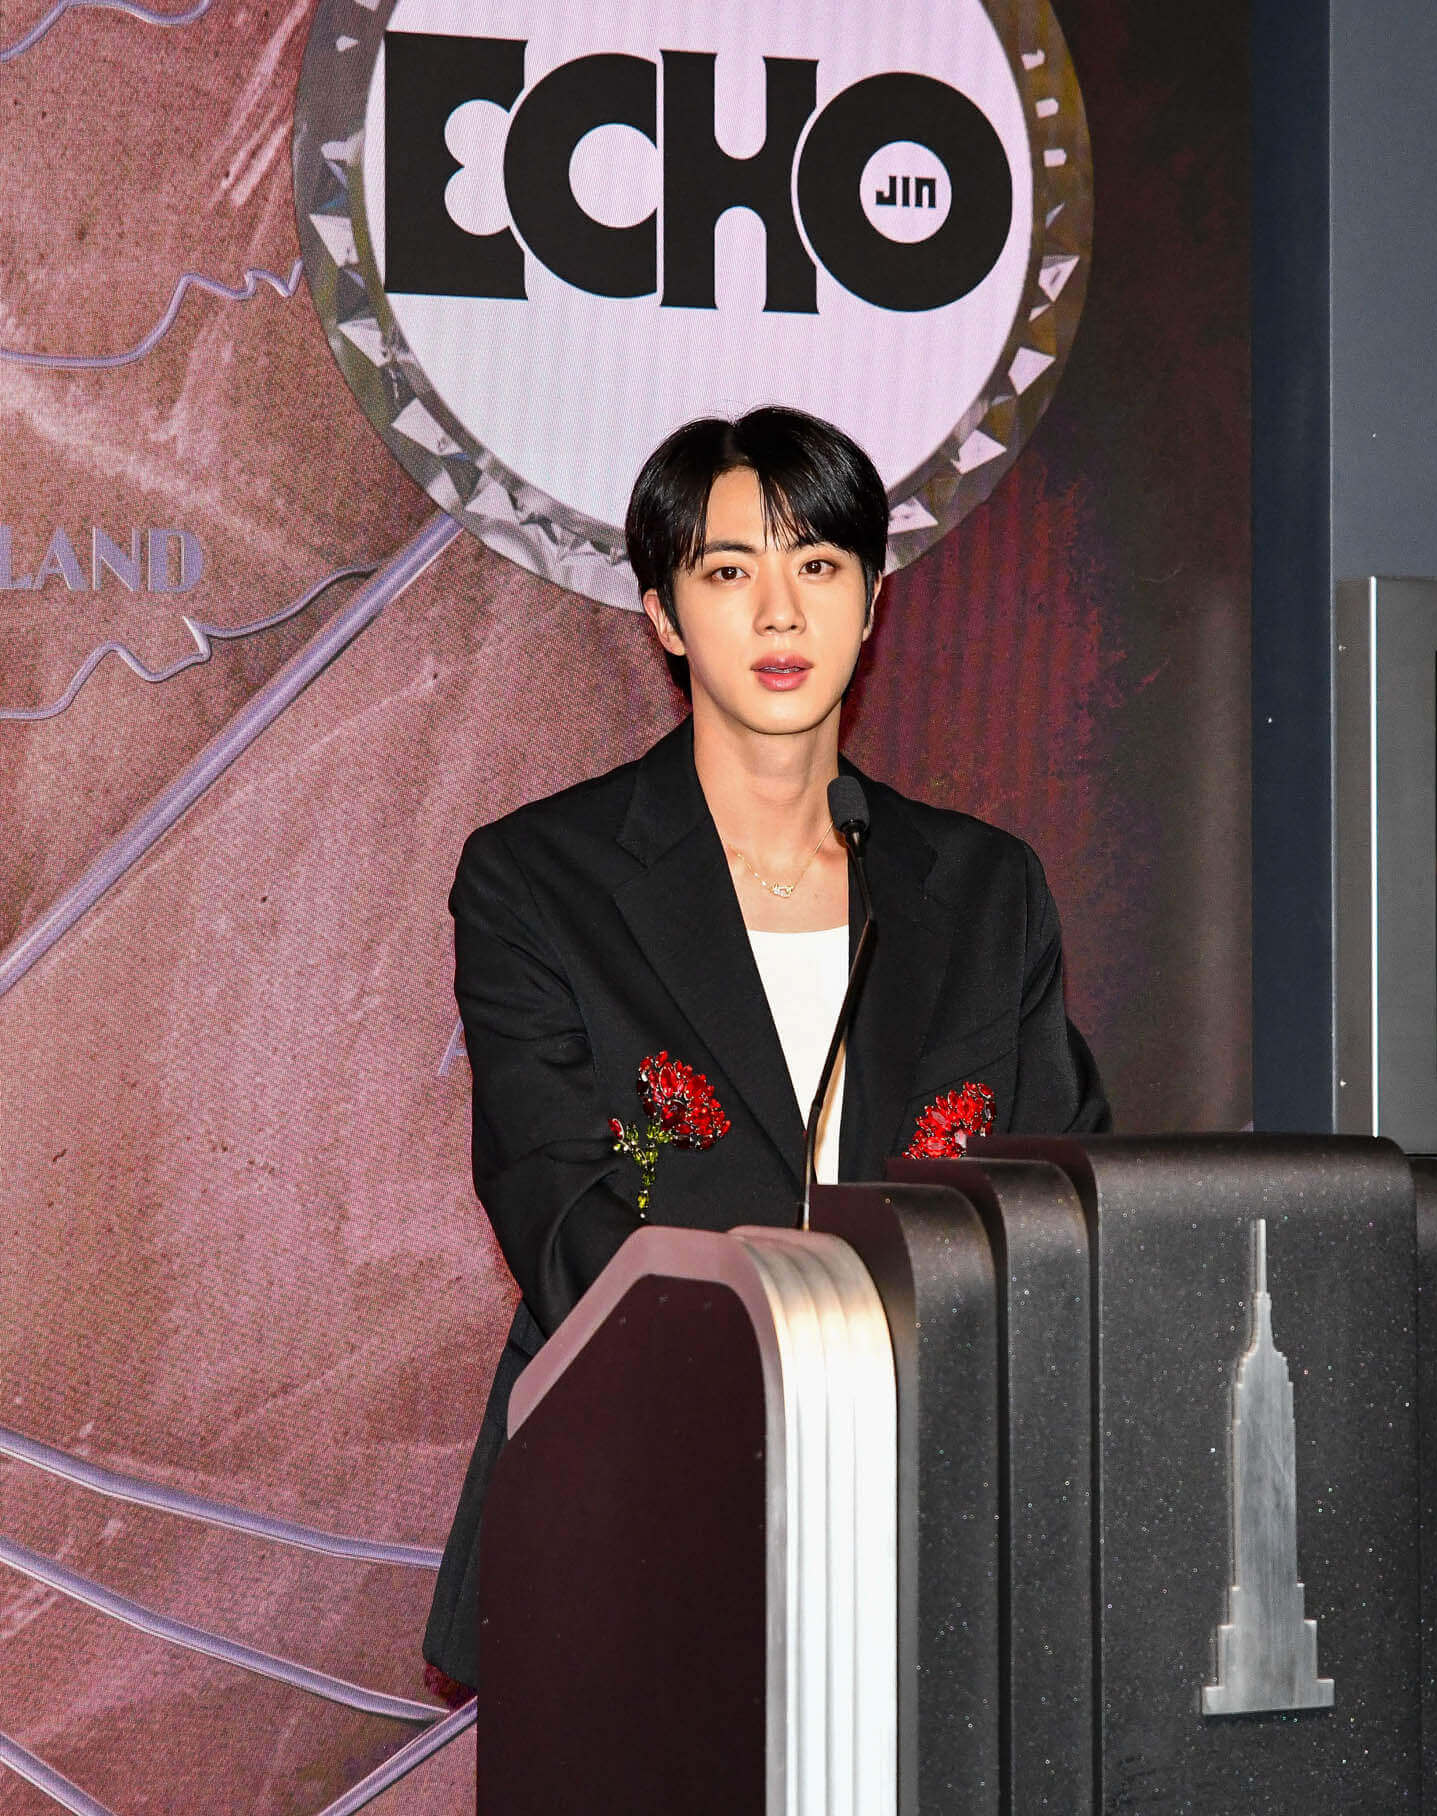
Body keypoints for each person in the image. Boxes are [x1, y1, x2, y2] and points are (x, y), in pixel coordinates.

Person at [423, 406, 1109, 1690]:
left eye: (820, 564)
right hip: (639, 1499)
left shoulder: (981, 887)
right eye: (731, 570)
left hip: (929, 1518)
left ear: (873, 600)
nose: (781, 612)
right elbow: (561, 1213)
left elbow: (1062, 1196)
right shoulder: (538, 879)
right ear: (666, 616)